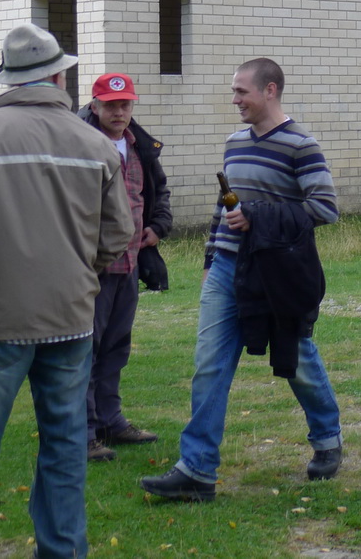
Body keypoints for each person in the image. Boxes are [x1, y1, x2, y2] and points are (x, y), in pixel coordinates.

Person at [141, 58, 343, 502]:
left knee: (296, 358)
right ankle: (197, 470)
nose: (234, 100)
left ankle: (328, 438)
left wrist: (257, 216)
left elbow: (325, 208)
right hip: (227, 270)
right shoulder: (234, 144)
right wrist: (211, 258)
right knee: (209, 365)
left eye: (241, 92)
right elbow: (224, 206)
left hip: (276, 274)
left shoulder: (301, 145)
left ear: (270, 90)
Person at [0, 23, 134, 559]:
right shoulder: (96, 143)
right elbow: (117, 234)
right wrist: (78, 274)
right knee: (66, 447)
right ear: (58, 76)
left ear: (8, 78)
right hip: (71, 318)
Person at [79, 73, 173, 462]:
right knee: (85, 349)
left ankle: (110, 421)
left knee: (116, 346)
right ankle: (83, 433)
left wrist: (158, 226)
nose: (118, 112)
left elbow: (158, 191)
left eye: (125, 104)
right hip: (91, 267)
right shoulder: (79, 142)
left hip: (130, 263)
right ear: (95, 105)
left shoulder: (140, 145)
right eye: (110, 105)